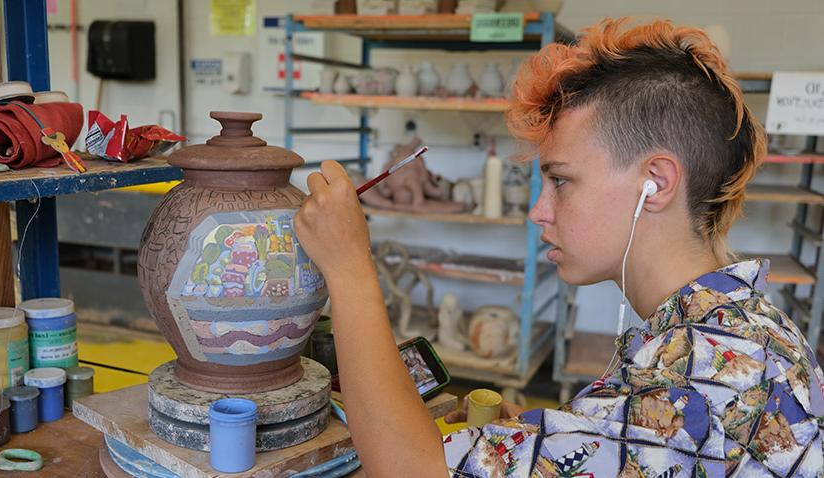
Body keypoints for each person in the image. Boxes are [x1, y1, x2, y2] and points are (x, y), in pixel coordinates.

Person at [294, 17, 824, 477]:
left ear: (656, 183)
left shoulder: (689, 379)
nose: (538, 211)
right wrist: (548, 438)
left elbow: (412, 471)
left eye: (562, 181)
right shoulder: (745, 327)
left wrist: (348, 267)